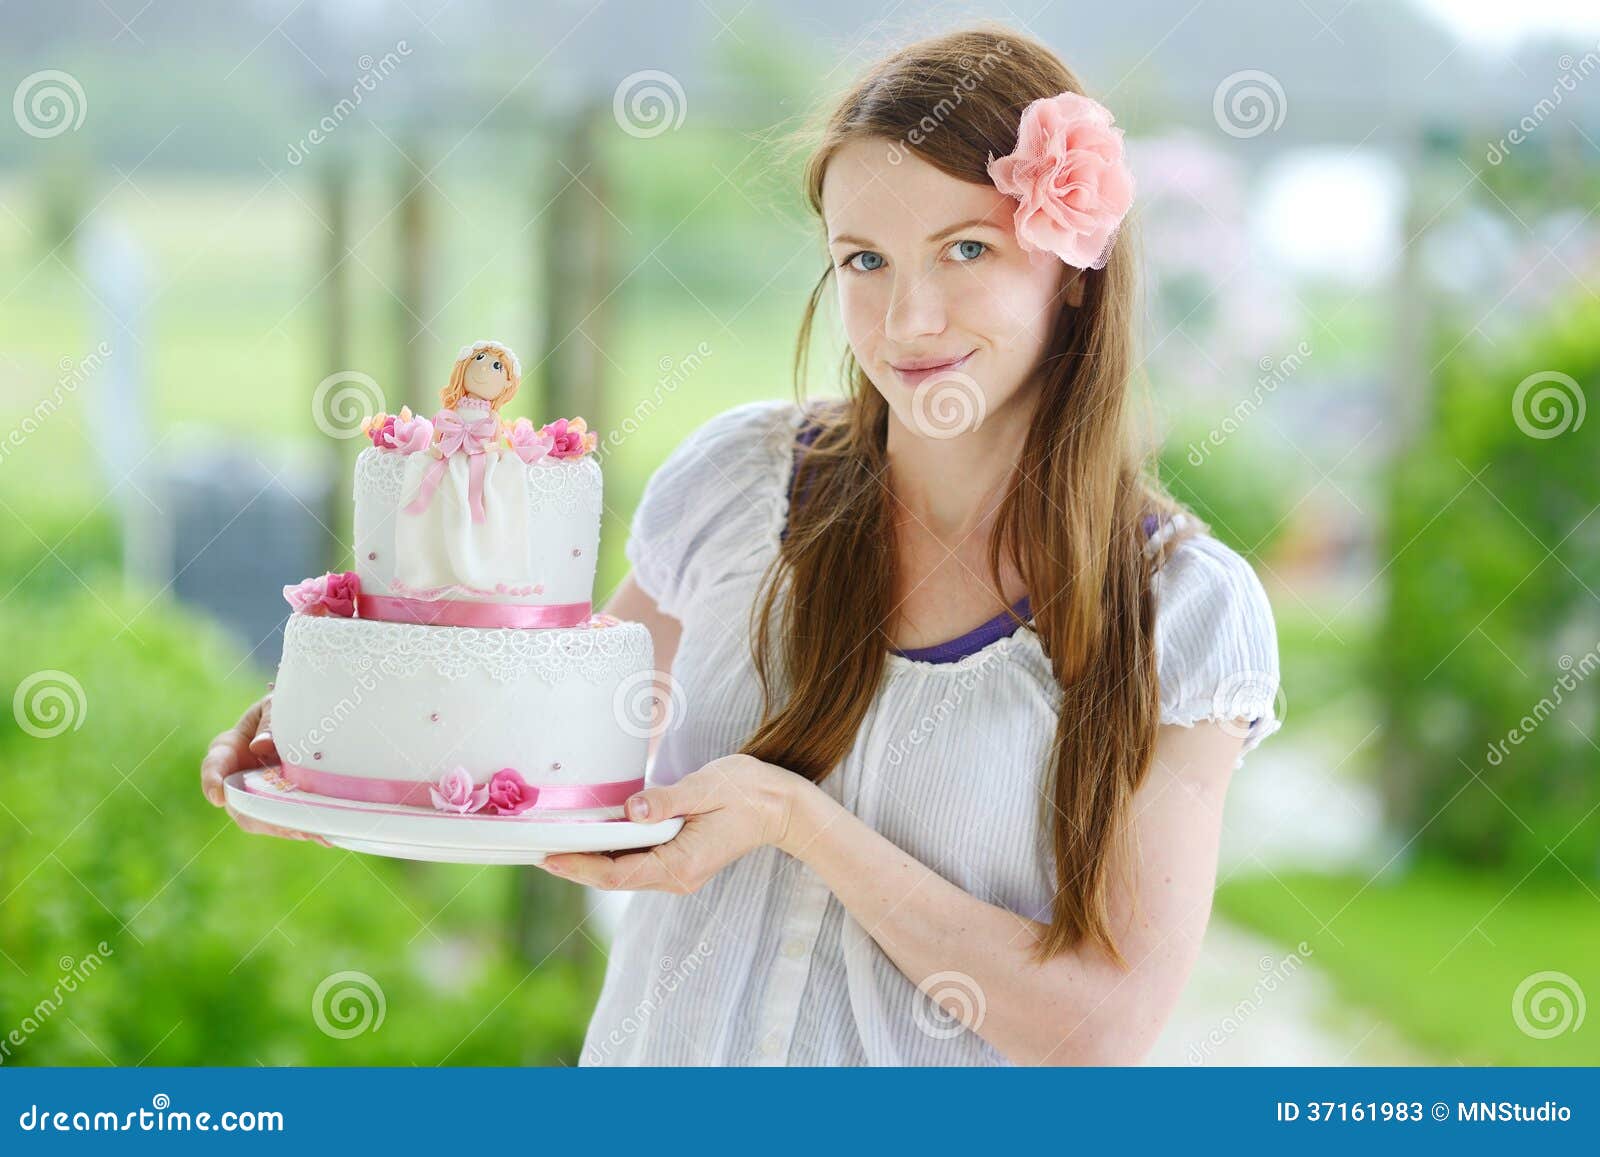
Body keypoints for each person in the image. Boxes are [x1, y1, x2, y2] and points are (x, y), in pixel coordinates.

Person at [202, 23, 1280, 1066]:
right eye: (863, 259)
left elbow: (1098, 1026)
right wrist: (340, 750)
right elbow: (537, 764)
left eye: (965, 249)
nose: (908, 319)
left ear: (1075, 265)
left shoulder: (1184, 613)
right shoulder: (741, 484)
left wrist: (795, 819)